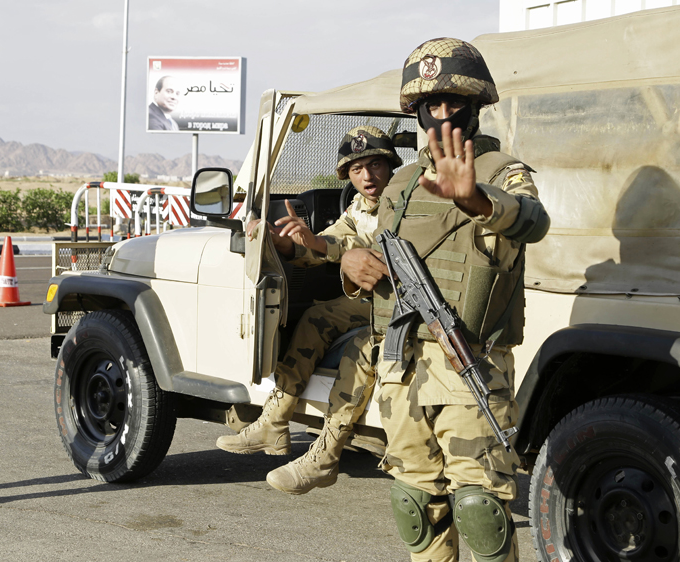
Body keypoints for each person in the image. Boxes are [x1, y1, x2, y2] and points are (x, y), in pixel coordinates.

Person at [339, 39, 550, 562]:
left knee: (479, 508)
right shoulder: (401, 183)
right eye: (429, 104)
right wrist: (351, 263)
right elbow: (378, 254)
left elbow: (533, 221)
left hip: (467, 365)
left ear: (475, 107)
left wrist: (474, 198)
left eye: (452, 102)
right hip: (400, 368)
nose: (440, 114)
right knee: (414, 502)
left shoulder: (501, 171)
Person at [216, 126, 402, 495]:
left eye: (376, 165)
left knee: (362, 347)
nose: (367, 176)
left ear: (390, 166)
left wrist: (325, 245)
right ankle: (274, 421)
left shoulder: (407, 199)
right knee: (316, 317)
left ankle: (327, 454)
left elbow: (367, 249)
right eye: (357, 169)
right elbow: (333, 240)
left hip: (406, 303)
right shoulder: (359, 207)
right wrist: (289, 245)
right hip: (375, 298)